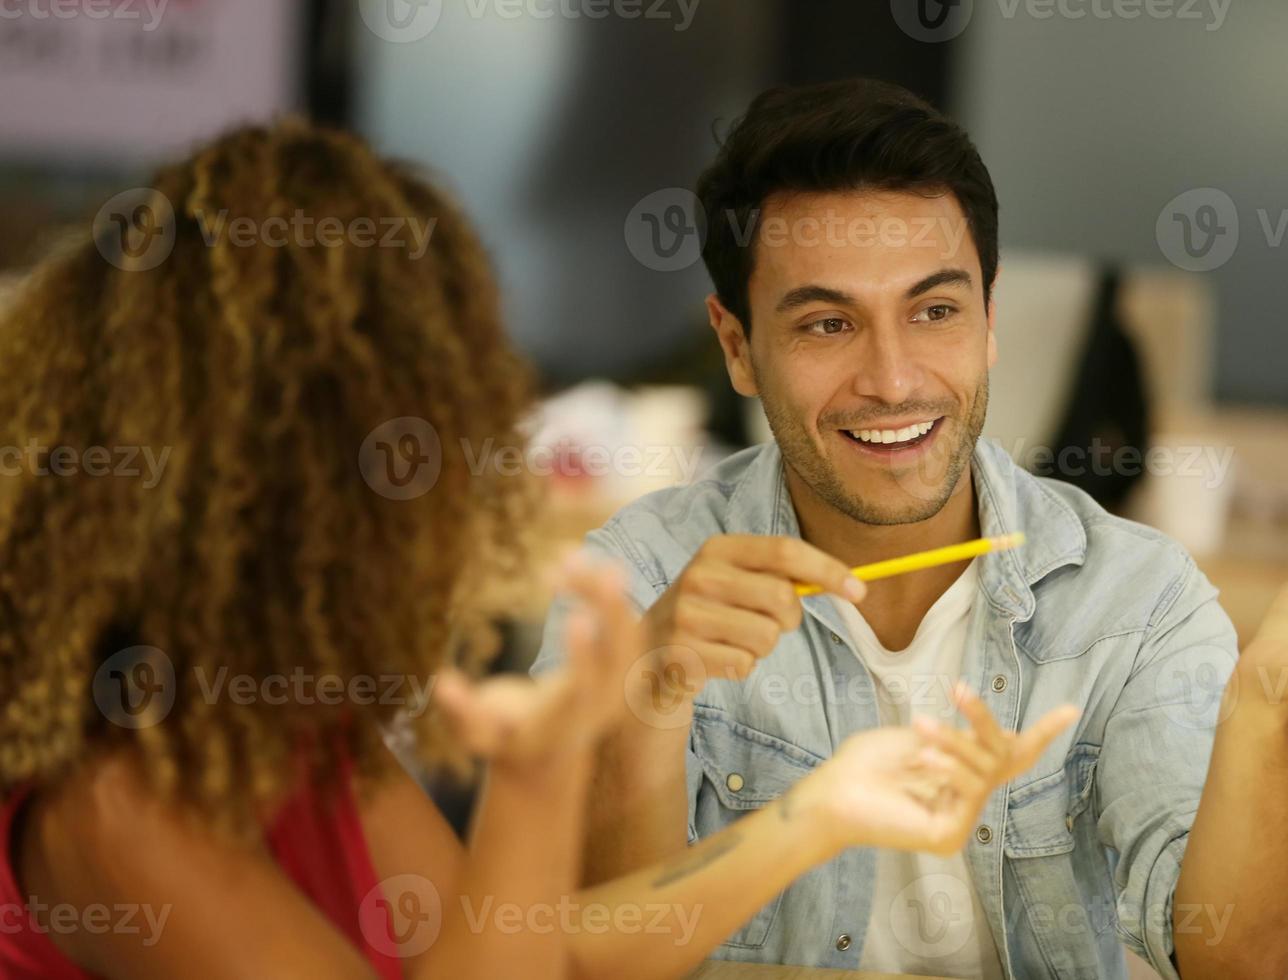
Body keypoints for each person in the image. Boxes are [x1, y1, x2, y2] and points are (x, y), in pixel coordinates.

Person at [0, 119, 1076, 980]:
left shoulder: (285, 730)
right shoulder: (117, 800)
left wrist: (821, 812)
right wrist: (539, 772)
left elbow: (541, 947)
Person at [533, 78, 1288, 979]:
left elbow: (1240, 962)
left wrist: (1273, 695)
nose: (893, 380)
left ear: (988, 321)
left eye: (934, 311)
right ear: (738, 347)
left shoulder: (1137, 599)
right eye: (827, 325)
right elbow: (570, 962)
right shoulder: (633, 583)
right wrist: (645, 703)